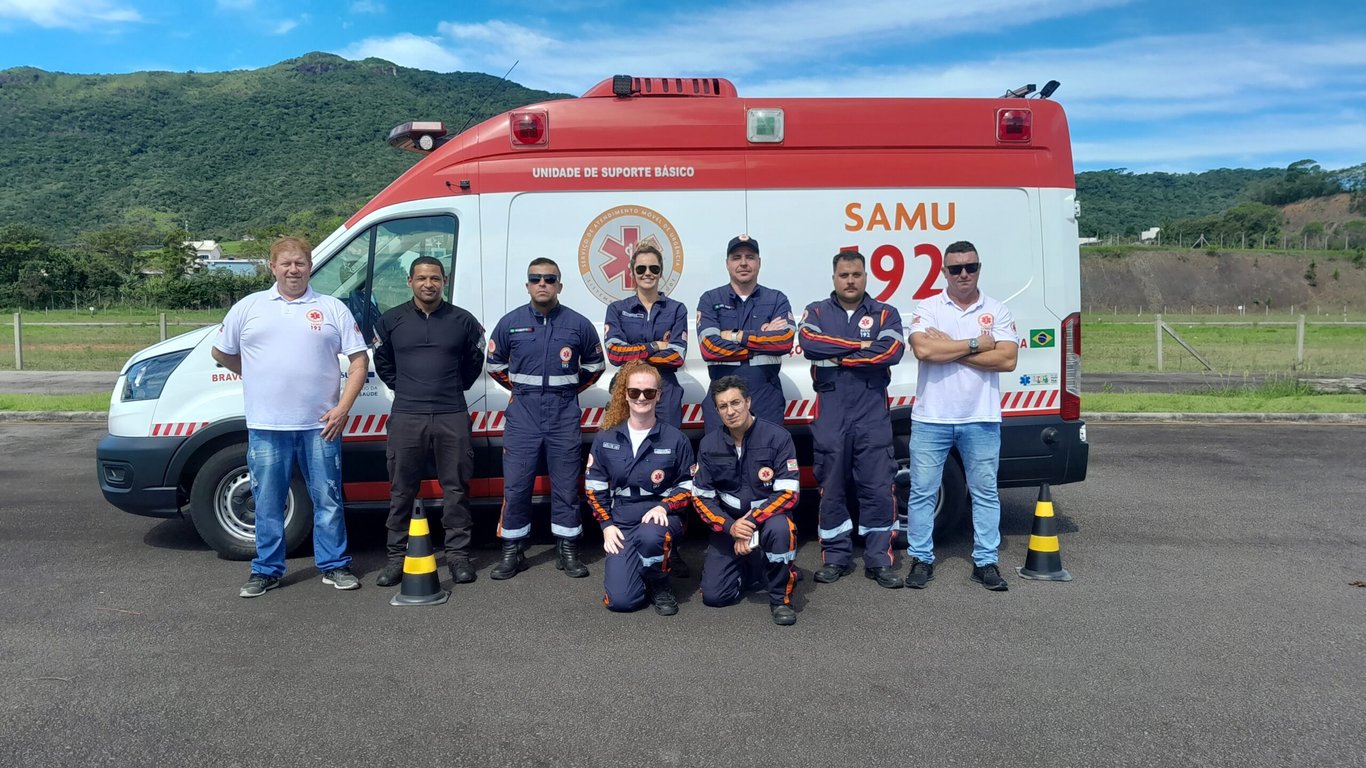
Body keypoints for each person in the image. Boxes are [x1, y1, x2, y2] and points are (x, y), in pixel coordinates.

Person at [211, 236, 369, 598]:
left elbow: (359, 362)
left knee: (328, 499)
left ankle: (335, 565)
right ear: (273, 267)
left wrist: (342, 409)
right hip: (267, 425)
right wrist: (254, 373)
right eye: (286, 263)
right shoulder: (249, 307)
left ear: (310, 267)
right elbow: (221, 352)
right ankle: (266, 570)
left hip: (321, 426)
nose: (293, 270)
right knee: (267, 501)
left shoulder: (332, 308)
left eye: (300, 263)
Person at [904, 240, 1019, 591]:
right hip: (931, 418)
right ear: (944, 272)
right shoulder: (928, 307)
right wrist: (974, 343)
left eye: (971, 267)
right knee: (922, 492)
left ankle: (985, 562)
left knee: (985, 493)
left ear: (979, 268)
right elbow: (923, 349)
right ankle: (921, 559)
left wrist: (950, 347)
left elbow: (1007, 360)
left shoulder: (997, 311)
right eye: (955, 268)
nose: (964, 274)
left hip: (980, 417)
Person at [486, 257, 605, 580]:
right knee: (516, 485)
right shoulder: (510, 322)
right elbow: (494, 364)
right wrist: (522, 389)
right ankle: (513, 550)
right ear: (527, 285)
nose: (543, 283)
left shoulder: (578, 324)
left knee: (566, 485)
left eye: (549, 279)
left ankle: (568, 548)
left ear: (559, 285)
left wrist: (568, 389)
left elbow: (595, 366)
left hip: (563, 412)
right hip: (523, 412)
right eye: (536, 278)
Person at [372, 256, 486, 588]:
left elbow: (474, 362)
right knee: (401, 490)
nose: (428, 284)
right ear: (410, 281)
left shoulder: (463, 320)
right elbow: (383, 362)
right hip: (407, 414)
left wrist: (451, 387)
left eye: (435, 278)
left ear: (444, 281)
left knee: (456, 489)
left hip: (451, 413)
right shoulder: (390, 320)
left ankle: (458, 557)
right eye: (421, 278)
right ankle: (397, 558)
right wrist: (406, 388)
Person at [798, 249, 906, 590]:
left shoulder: (885, 312)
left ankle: (879, 560)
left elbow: (891, 351)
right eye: (844, 275)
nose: (850, 280)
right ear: (834, 278)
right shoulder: (817, 311)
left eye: (856, 274)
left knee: (877, 486)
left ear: (865, 277)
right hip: (832, 410)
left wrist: (841, 357)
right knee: (831, 486)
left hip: (871, 410)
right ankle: (836, 557)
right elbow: (810, 342)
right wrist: (861, 346)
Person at [584, 361, 694, 615]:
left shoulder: (675, 438)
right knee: (622, 601)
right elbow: (594, 487)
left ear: (658, 396)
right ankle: (640, 572)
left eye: (649, 392)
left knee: (651, 536)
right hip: (622, 518)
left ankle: (659, 582)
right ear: (625, 394)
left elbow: (688, 486)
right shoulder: (606, 436)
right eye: (634, 391)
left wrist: (665, 506)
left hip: (661, 515)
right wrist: (606, 525)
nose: (641, 398)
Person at [691, 376, 800, 626]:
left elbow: (788, 493)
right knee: (715, 596)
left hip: (767, 520)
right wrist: (730, 527)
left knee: (782, 529)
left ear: (748, 402)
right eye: (723, 406)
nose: (730, 411)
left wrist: (748, 525)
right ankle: (754, 568)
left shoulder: (778, 437)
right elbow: (701, 498)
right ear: (717, 410)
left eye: (735, 403)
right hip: (729, 525)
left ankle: (780, 598)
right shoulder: (709, 444)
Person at [696, 235, 795, 431]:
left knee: (768, 451)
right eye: (736, 257)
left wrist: (735, 336)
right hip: (722, 400)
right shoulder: (710, 299)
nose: (743, 263)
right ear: (727, 263)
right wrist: (761, 341)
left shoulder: (776, 299)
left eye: (750, 257)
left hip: (766, 400)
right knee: (720, 452)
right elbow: (709, 348)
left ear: (759, 262)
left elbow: (784, 341)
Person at [603, 243, 688, 427]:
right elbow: (615, 354)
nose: (647, 273)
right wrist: (655, 346)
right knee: (627, 441)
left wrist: (633, 355)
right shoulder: (617, 309)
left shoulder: (676, 309)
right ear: (632, 273)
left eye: (653, 268)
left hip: (665, 388)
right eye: (641, 269)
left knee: (667, 440)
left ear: (660, 272)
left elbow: (677, 356)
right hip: (629, 387)